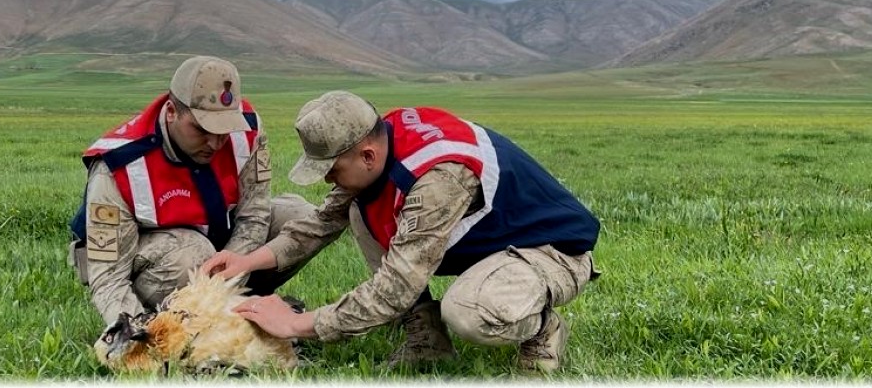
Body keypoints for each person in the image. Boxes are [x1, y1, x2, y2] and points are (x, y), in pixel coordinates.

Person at [202, 90, 600, 372]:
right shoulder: (379, 139)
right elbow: (321, 223)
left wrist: (297, 325)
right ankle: (427, 340)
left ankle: (543, 327)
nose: (327, 182)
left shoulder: (437, 181)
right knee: (360, 210)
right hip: (493, 247)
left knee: (469, 312)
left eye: (331, 170)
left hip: (549, 253)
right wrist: (246, 260)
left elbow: (395, 288)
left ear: (367, 155)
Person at [68, 55, 314, 325]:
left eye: (224, 129)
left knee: (302, 218)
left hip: (219, 243)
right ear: (172, 111)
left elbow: (254, 215)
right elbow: (109, 277)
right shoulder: (118, 166)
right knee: (194, 252)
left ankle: (234, 307)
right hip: (155, 258)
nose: (215, 142)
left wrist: (227, 282)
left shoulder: (248, 129)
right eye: (201, 129)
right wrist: (135, 334)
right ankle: (180, 319)